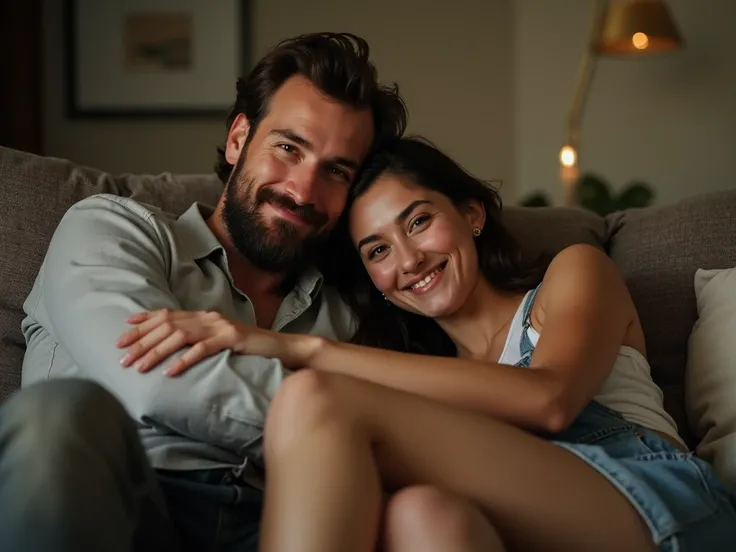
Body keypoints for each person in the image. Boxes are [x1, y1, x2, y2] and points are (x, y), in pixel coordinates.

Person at [120, 137, 736, 551]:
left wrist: (298, 349)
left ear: (471, 214)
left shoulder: (572, 274)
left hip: (656, 500)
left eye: (418, 221)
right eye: (378, 251)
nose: (410, 260)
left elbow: (549, 399)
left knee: (316, 399)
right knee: (422, 517)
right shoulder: (421, 374)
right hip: (534, 526)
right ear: (375, 285)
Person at [0, 32, 407, 552]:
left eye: (335, 171)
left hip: (278, 525)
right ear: (239, 138)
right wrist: (338, 428)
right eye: (288, 148)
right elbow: (153, 382)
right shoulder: (112, 228)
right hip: (126, 506)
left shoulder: (350, 311)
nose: (303, 190)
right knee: (58, 412)